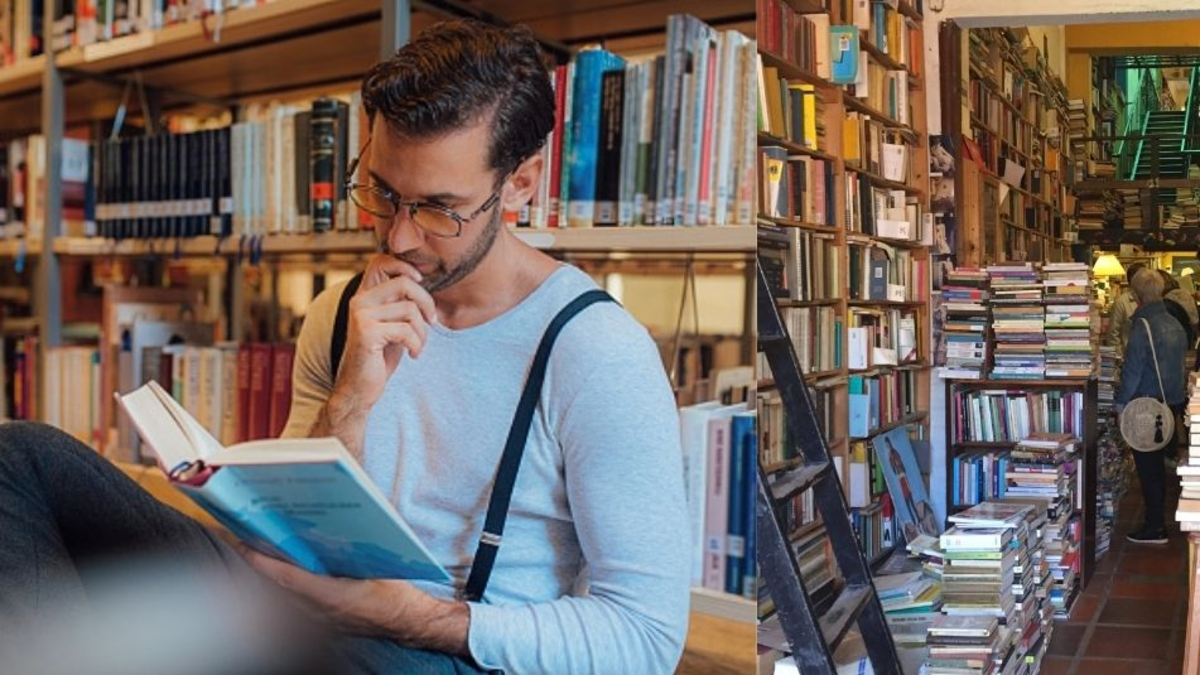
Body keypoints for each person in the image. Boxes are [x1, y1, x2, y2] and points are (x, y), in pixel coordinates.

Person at [0, 20, 690, 674]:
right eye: (383, 193)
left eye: (438, 208)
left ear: (521, 183)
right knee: (23, 456)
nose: (398, 237)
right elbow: (270, 547)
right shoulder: (340, 313)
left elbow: (646, 637)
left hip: (453, 651)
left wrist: (410, 616)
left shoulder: (596, 351)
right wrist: (351, 400)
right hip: (300, 621)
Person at [1115, 269, 1188, 545]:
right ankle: (1159, 520)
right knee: (1158, 464)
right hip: (1170, 403)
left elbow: (1133, 371)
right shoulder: (1175, 323)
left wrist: (1121, 404)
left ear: (1136, 295)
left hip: (1145, 405)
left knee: (1148, 467)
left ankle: (1155, 526)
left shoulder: (1142, 326)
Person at [1106, 261, 1144, 354]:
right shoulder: (1122, 302)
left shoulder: (1150, 299)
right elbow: (1113, 334)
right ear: (1133, 279)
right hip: (1128, 356)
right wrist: (1120, 357)